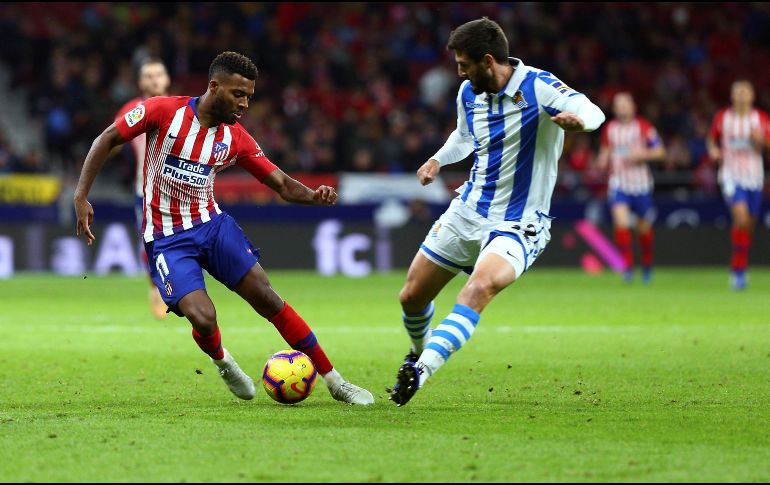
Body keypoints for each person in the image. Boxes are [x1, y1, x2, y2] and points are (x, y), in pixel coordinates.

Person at [74, 51, 374, 405]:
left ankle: (336, 381)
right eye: (238, 94)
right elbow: (105, 139)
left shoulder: (236, 138)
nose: (245, 103)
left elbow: (281, 184)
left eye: (249, 95)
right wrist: (81, 196)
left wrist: (314, 195)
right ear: (214, 86)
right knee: (203, 317)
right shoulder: (162, 112)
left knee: (267, 297)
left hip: (213, 227)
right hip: (167, 239)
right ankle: (223, 361)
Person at [388, 18, 605, 406]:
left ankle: (421, 372)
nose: (459, 72)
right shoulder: (469, 93)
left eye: (464, 64)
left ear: (488, 61)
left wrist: (580, 122)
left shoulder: (538, 85)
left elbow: (591, 109)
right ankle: (418, 352)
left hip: (520, 221)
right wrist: (438, 160)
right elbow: (464, 136)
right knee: (411, 298)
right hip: (468, 209)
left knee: (479, 288)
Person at [114, 58, 172, 319]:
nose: (154, 79)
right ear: (140, 83)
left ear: (167, 78)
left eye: (159, 73)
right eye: (148, 75)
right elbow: (112, 142)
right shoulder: (132, 109)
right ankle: (155, 287)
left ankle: (179, 287)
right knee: (151, 242)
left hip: (183, 192)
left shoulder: (182, 106)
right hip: (146, 192)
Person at [595, 92, 666, 284]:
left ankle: (647, 265)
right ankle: (627, 267)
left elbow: (660, 151)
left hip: (641, 185)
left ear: (633, 107)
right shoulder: (609, 129)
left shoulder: (644, 127)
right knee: (621, 224)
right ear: (614, 109)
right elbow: (605, 153)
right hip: (619, 184)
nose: (622, 107)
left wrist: (644, 154)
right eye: (618, 105)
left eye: (626, 104)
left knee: (643, 230)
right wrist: (602, 161)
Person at [706, 80, 770, 291]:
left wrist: (762, 141)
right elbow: (712, 140)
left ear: (752, 96)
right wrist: (714, 151)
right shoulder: (722, 118)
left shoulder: (761, 119)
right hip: (731, 176)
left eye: (746, 92)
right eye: (738, 92)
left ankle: (740, 263)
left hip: (755, 177)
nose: (742, 95)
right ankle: (737, 270)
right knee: (741, 217)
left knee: (748, 225)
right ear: (732, 96)